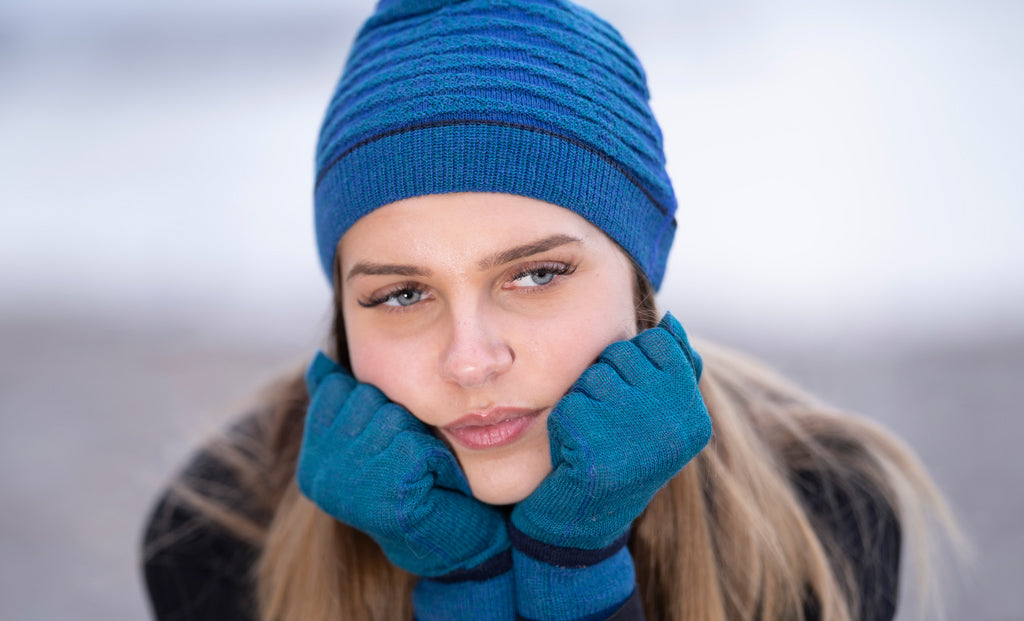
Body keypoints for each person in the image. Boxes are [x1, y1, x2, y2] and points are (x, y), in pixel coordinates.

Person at [141, 1, 961, 619]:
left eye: (535, 275)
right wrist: (460, 574)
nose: (470, 358)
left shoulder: (819, 508)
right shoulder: (219, 530)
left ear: (640, 277)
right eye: (401, 293)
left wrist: (577, 564)